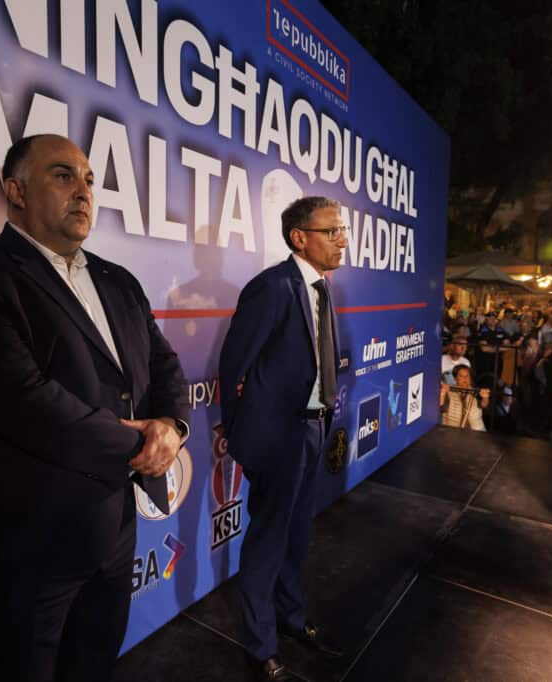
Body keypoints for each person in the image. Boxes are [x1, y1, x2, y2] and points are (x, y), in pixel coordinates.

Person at [0, 134, 190, 682]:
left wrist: (172, 424)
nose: (84, 191)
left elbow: (163, 364)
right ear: (16, 191)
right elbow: (22, 402)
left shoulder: (120, 281)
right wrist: (142, 444)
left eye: (89, 179)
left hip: (114, 528)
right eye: (63, 176)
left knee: (92, 667)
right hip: (24, 538)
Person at [219, 196, 346, 681]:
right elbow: (234, 364)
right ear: (300, 237)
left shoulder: (323, 288)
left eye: (342, 230)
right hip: (278, 437)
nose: (342, 240)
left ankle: (292, 619)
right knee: (268, 540)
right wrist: (239, 434)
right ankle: (260, 644)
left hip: (314, 427)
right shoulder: (271, 287)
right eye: (331, 231)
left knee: (296, 534)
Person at [439, 365, 490, 431]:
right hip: (452, 432)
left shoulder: (476, 391)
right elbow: (441, 408)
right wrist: (442, 394)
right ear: (455, 378)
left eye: (467, 376)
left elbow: (484, 405)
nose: (465, 378)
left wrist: (485, 398)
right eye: (461, 376)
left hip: (476, 431)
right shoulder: (448, 392)